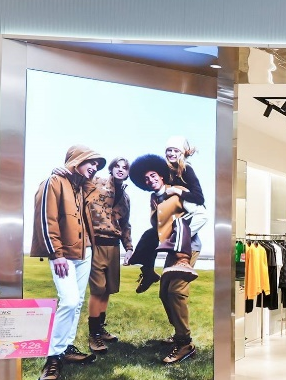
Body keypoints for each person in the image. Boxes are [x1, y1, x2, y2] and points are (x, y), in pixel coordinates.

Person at [30, 145, 105, 380]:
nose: (94, 167)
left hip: (85, 253)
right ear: (77, 160)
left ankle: (66, 348)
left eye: (97, 165)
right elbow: (46, 219)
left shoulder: (82, 187)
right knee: (69, 301)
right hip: (63, 255)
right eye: (91, 162)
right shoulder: (53, 182)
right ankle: (53, 357)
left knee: (78, 302)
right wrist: (56, 254)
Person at [129, 153, 198, 364]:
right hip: (171, 251)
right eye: (146, 179)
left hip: (187, 248)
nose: (150, 180)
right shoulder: (154, 199)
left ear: (160, 175)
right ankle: (179, 334)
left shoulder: (178, 192)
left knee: (176, 292)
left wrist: (182, 237)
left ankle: (185, 343)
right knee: (164, 294)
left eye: (153, 175)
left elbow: (200, 215)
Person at [127, 137, 206, 293]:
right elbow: (160, 188)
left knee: (175, 292)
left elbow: (199, 198)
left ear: (182, 153)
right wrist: (158, 196)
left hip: (190, 207)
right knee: (149, 235)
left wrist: (176, 191)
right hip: (174, 216)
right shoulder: (167, 171)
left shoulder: (186, 169)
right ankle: (148, 272)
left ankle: (182, 258)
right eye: (169, 150)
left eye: (175, 150)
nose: (171, 153)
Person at [83, 156, 133, 353]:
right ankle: (93, 335)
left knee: (107, 290)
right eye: (117, 166)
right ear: (111, 169)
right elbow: (76, 185)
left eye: (125, 168)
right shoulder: (96, 182)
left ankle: (100, 328)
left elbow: (125, 224)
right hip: (96, 243)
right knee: (97, 290)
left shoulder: (126, 198)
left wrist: (129, 248)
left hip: (114, 246)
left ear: (128, 173)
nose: (120, 170)